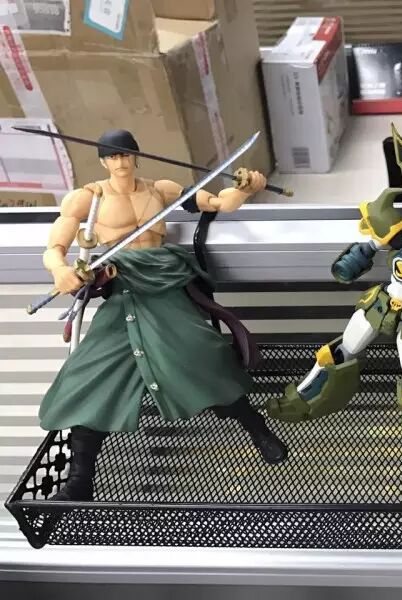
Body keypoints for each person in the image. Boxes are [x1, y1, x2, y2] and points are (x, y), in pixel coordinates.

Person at [39, 129, 287, 501]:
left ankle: (257, 428)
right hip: (123, 290)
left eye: (126, 154)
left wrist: (247, 188)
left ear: (136, 156)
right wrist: (60, 270)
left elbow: (219, 203)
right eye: (113, 156)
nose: (120, 162)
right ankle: (80, 479)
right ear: (103, 161)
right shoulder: (87, 198)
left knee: (205, 355)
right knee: (88, 376)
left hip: (166, 285)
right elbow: (54, 246)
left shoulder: (162, 189)